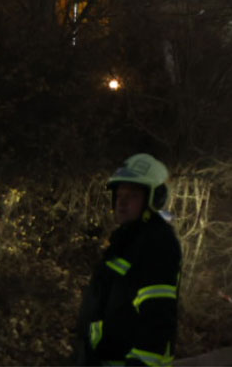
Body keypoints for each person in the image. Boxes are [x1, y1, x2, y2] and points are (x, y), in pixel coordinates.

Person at [76, 154, 182, 366]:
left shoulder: (157, 242)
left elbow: (157, 315)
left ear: (155, 198)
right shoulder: (126, 239)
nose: (122, 202)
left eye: (132, 195)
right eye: (119, 195)